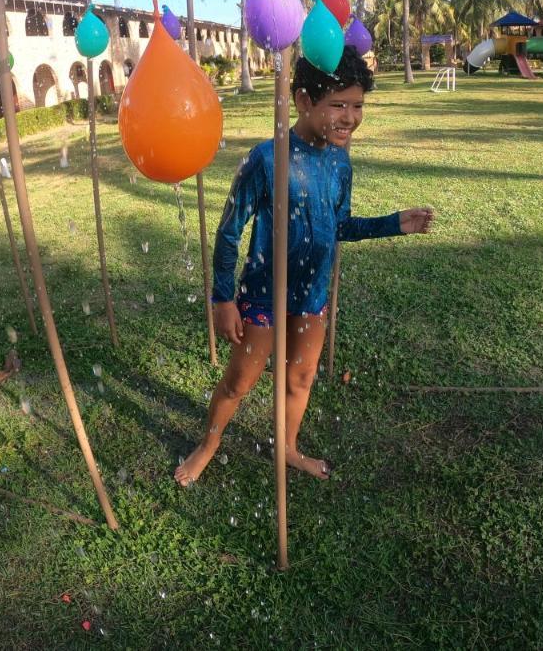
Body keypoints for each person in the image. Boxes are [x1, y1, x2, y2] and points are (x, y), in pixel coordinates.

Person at [175, 48, 433, 486]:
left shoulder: (340, 159)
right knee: (239, 382)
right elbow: (229, 232)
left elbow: (339, 226)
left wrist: (395, 224)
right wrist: (222, 298)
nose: (350, 118)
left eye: (358, 106)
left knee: (301, 378)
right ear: (303, 101)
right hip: (262, 294)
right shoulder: (266, 158)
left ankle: (289, 447)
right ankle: (208, 446)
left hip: (311, 296)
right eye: (338, 105)